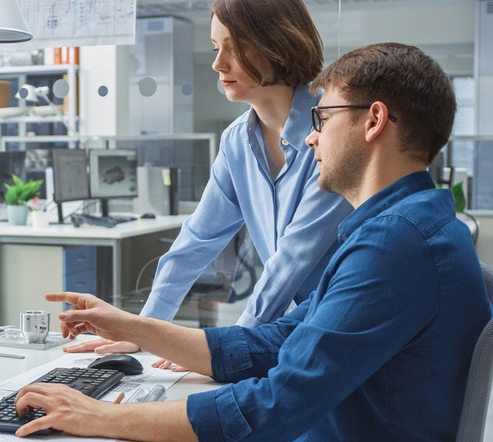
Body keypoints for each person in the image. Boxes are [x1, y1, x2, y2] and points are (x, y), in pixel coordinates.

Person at [12, 42, 491, 441]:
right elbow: (277, 341)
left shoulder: (396, 244)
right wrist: (135, 327)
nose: (310, 139)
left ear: (373, 121)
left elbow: (278, 406)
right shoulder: (399, 226)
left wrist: (101, 416)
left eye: (322, 119)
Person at [66, 0, 352, 357]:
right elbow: (197, 240)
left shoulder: (334, 128)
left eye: (235, 47)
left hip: (347, 328)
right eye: (217, 48)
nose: (218, 64)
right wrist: (147, 330)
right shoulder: (237, 141)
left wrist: (225, 352)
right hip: (297, 331)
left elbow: (293, 259)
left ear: (278, 43)